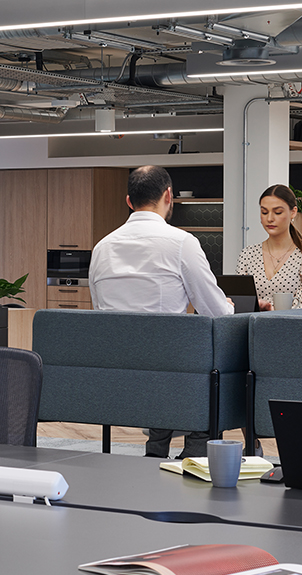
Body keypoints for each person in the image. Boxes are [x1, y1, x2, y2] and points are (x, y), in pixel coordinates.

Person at [89, 165, 234, 459]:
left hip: (113, 373)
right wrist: (228, 306)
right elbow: (217, 312)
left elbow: (100, 314)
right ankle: (195, 453)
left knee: (166, 355)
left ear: (129, 201)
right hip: (168, 374)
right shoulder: (181, 243)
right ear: (169, 196)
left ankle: (156, 451)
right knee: (206, 368)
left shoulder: (101, 248)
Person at [235, 184, 302, 310]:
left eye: (278, 212)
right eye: (264, 212)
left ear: (293, 212)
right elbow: (239, 301)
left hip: (289, 327)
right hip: (251, 326)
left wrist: (271, 309)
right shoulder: (247, 254)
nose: (269, 218)